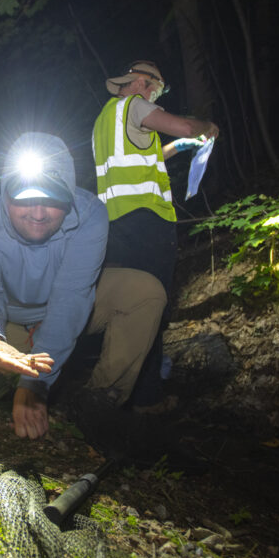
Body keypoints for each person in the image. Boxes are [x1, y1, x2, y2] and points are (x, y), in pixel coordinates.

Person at [0, 132, 171, 439]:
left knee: (145, 292)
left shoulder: (91, 214)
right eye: (25, 198)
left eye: (52, 199)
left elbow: (71, 298)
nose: (38, 213)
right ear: (5, 194)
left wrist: (34, 384)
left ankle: (101, 400)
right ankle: (17, 381)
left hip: (72, 306)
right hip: (12, 318)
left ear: (70, 196)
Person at [92, 60, 220, 409]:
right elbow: (182, 125)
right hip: (147, 223)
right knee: (152, 306)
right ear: (140, 83)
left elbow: (142, 158)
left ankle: (122, 392)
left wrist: (178, 149)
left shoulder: (107, 118)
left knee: (127, 308)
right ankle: (145, 399)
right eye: (156, 89)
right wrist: (205, 127)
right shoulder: (134, 104)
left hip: (115, 224)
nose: (156, 97)